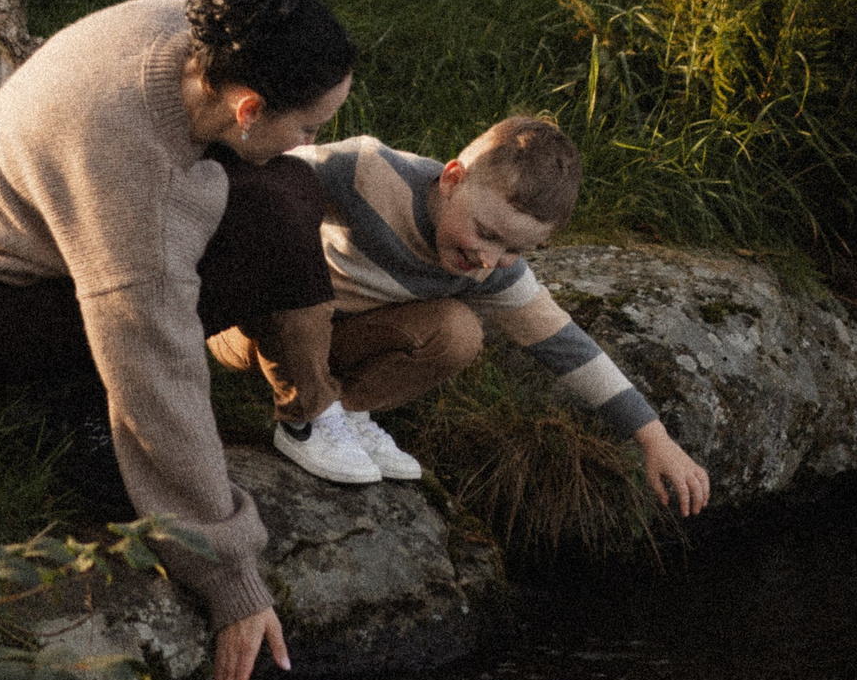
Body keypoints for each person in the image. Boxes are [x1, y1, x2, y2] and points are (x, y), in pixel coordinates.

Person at [0, 0, 358, 680]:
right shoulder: (131, 168)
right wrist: (231, 578)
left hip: (61, 246)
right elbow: (160, 363)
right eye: (308, 120)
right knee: (253, 232)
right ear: (248, 108)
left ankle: (115, 392)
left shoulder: (198, 30)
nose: (313, 133)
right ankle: (78, 408)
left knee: (289, 188)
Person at [208, 115, 712, 515]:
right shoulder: (364, 170)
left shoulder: (490, 270)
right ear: (452, 180)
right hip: (259, 322)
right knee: (291, 249)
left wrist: (655, 439)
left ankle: (348, 412)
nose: (490, 259)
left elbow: (568, 347)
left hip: (340, 337)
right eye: (488, 233)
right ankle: (306, 417)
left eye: (516, 249)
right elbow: (262, 174)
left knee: (458, 331)